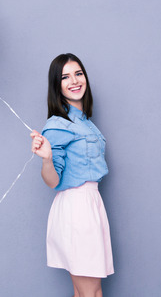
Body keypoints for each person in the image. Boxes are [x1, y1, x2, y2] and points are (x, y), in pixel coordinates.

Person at [30, 53, 114, 297]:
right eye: (65, 77)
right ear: (57, 85)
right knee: (91, 294)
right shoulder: (57, 124)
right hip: (76, 208)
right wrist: (46, 158)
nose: (74, 81)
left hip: (91, 205)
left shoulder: (86, 122)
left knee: (84, 293)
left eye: (78, 73)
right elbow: (53, 181)